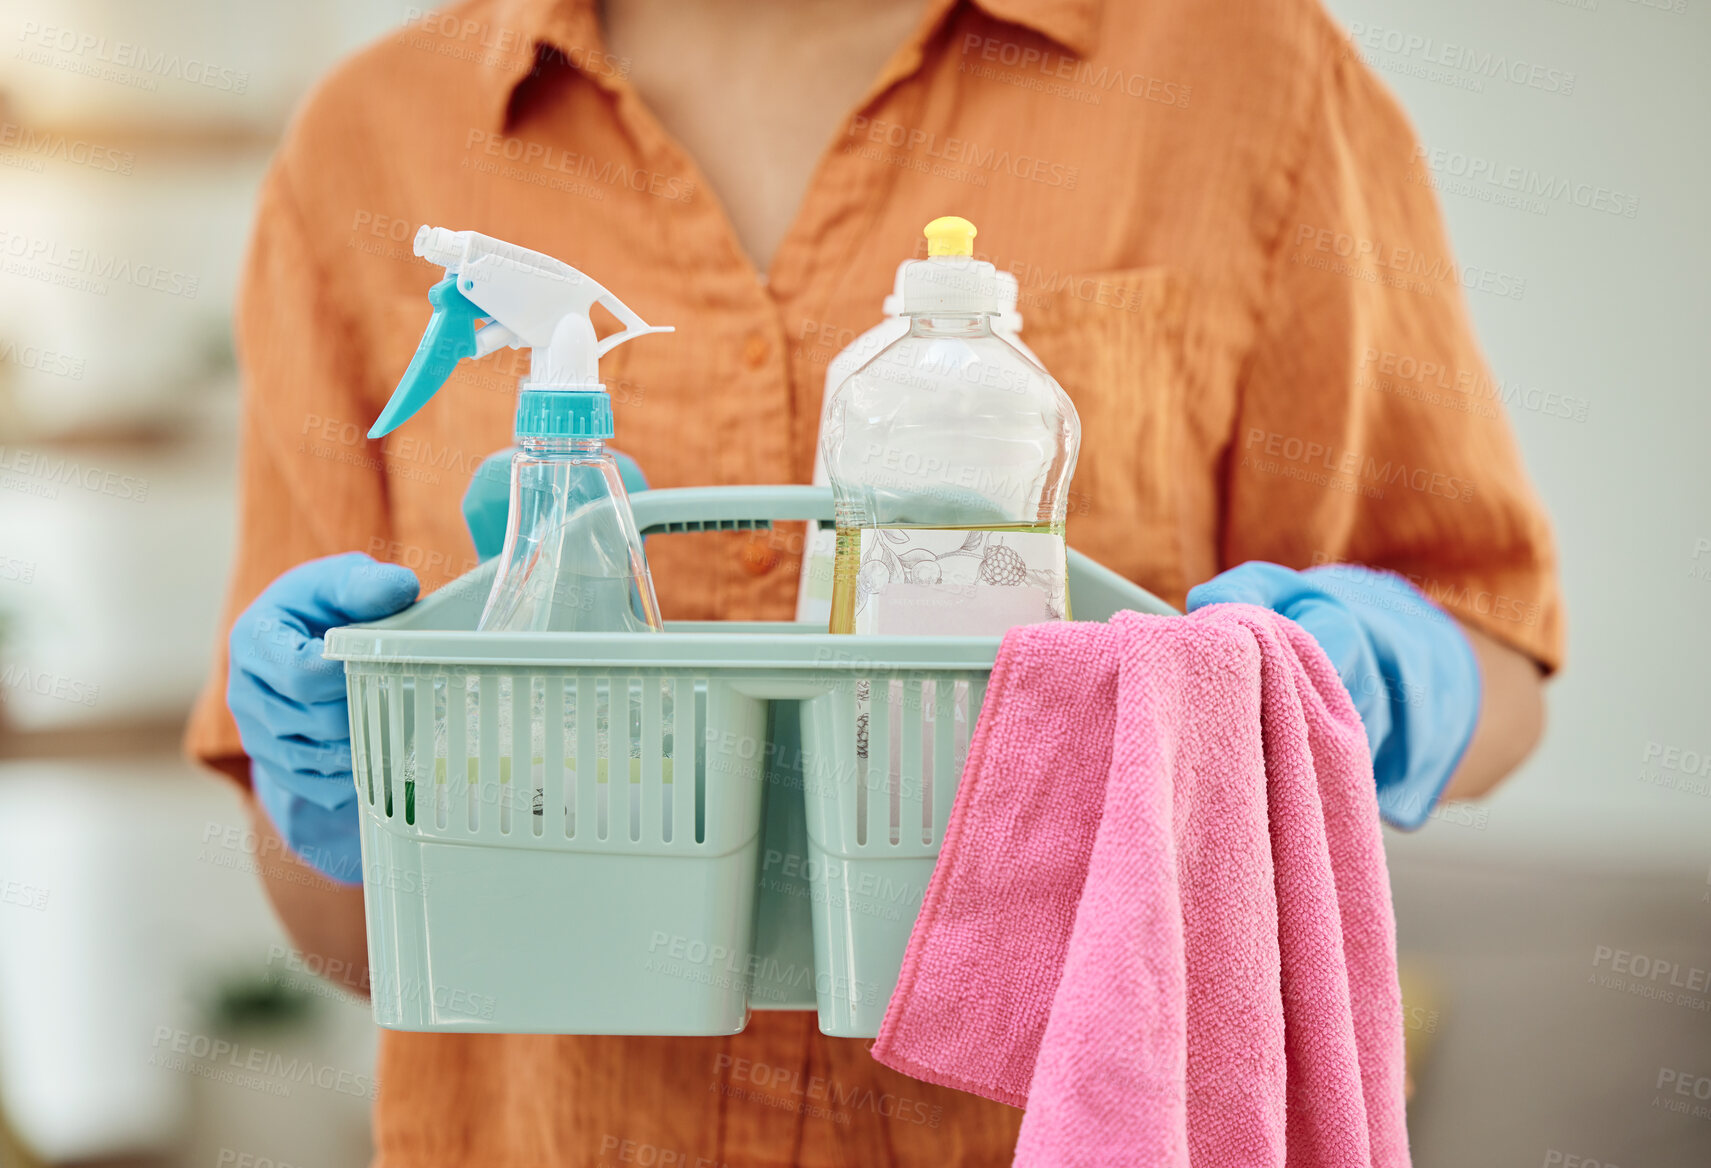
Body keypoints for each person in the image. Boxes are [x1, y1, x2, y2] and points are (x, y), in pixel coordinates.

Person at [190, 0, 1562, 1162]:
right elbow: (354, 948)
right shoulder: (373, 141)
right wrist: (337, 784)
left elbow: (1497, 671)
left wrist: (1375, 679)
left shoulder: (1238, 73)